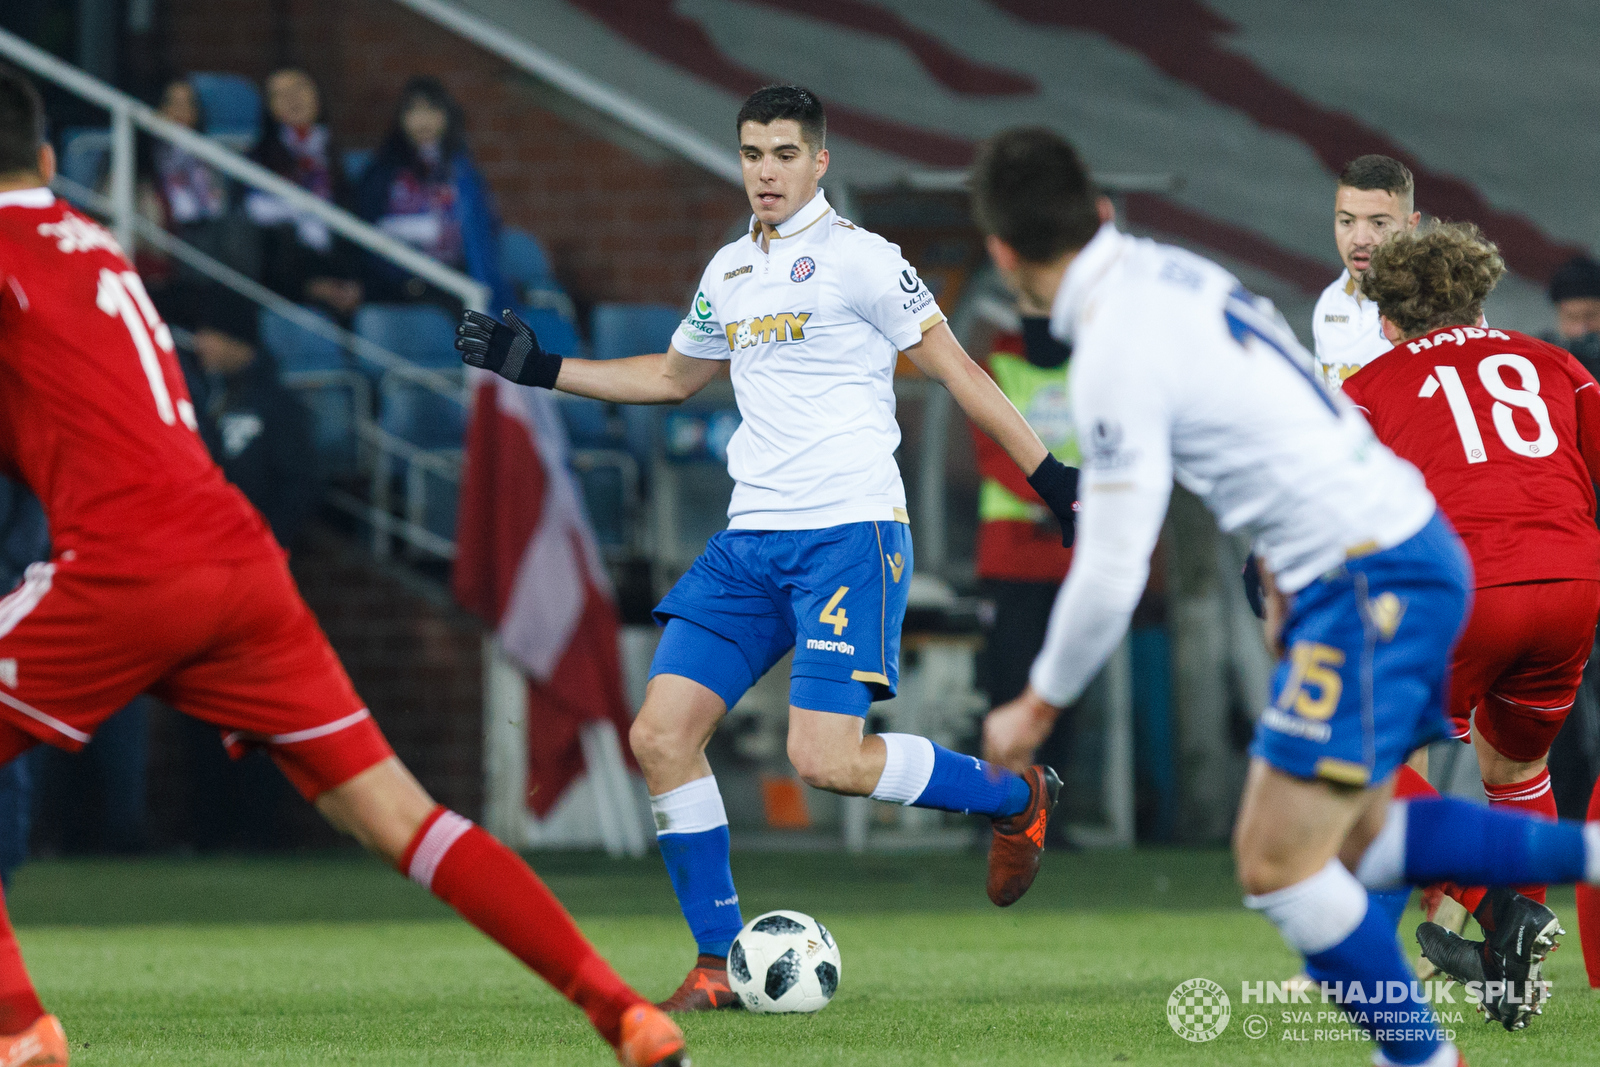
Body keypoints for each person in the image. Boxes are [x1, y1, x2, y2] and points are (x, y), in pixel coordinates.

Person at [0, 66, 685, 1067]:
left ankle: (21, 1027)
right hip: (238, 564)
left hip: (125, 567)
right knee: (401, 815)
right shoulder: (95, 242)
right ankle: (623, 1009)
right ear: (52, 160)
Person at [973, 126, 1600, 1067]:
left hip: (1377, 573)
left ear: (1001, 252)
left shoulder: (1112, 349)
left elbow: (1111, 560)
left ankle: (1436, 1028)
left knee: (1302, 848)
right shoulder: (1175, 271)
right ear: (1102, 214)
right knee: (1322, 840)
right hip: (1405, 559)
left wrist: (1038, 698)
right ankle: (1438, 1029)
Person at [457, 85, 1079, 1013]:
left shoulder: (864, 260)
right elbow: (673, 378)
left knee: (825, 760)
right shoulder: (729, 272)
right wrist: (542, 368)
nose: (765, 171)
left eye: (784, 154)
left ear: (819, 161)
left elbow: (959, 373)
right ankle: (716, 963)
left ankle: (1011, 798)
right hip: (753, 539)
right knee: (660, 735)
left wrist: (1052, 478)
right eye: (752, 154)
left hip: (848, 534)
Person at [1340, 223, 1597, 1024]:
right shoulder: (1557, 364)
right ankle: (1511, 965)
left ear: (1387, 317)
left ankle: (1492, 903)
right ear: (1481, 298)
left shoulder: (1367, 387)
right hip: (1572, 582)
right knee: (1517, 766)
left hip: (1465, 584)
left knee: (1342, 758)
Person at [969, 314, 1077, 814]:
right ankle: (996, 808)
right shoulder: (1000, 358)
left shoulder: (1091, 359)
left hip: (1071, 553)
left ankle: (1049, 812)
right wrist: (1053, 500)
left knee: (1061, 692)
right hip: (1012, 555)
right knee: (1007, 684)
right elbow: (992, 449)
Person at [356, 77, 511, 312]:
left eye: (432, 110)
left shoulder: (462, 171)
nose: (423, 120)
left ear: (447, 115)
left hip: (458, 279)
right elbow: (366, 226)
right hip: (403, 283)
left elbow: (484, 231)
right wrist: (417, 228)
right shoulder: (383, 170)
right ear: (401, 118)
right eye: (414, 111)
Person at [247, 68, 363, 319]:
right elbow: (260, 230)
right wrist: (312, 286)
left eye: (299, 88)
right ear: (269, 107)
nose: (293, 99)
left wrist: (354, 282)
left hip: (340, 272)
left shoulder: (334, 156)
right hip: (289, 278)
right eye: (280, 94)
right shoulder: (257, 160)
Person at [1311, 155, 1420, 390]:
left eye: (1378, 223)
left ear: (1411, 226)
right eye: (1347, 222)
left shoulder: (1443, 306)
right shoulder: (1329, 302)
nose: (1360, 240)